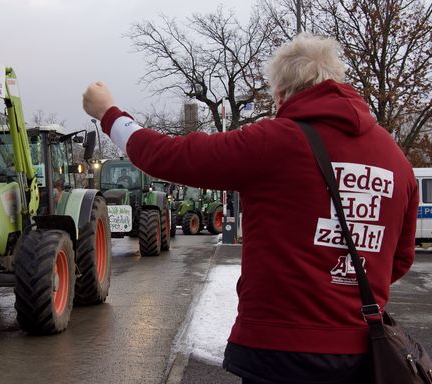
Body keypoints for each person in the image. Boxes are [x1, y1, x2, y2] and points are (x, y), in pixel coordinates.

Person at [83, 32, 418, 383]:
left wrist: (109, 114)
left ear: (281, 92)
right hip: (365, 353)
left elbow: (171, 156)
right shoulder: (396, 160)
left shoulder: (274, 141)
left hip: (280, 350)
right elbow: (399, 259)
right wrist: (337, 282)